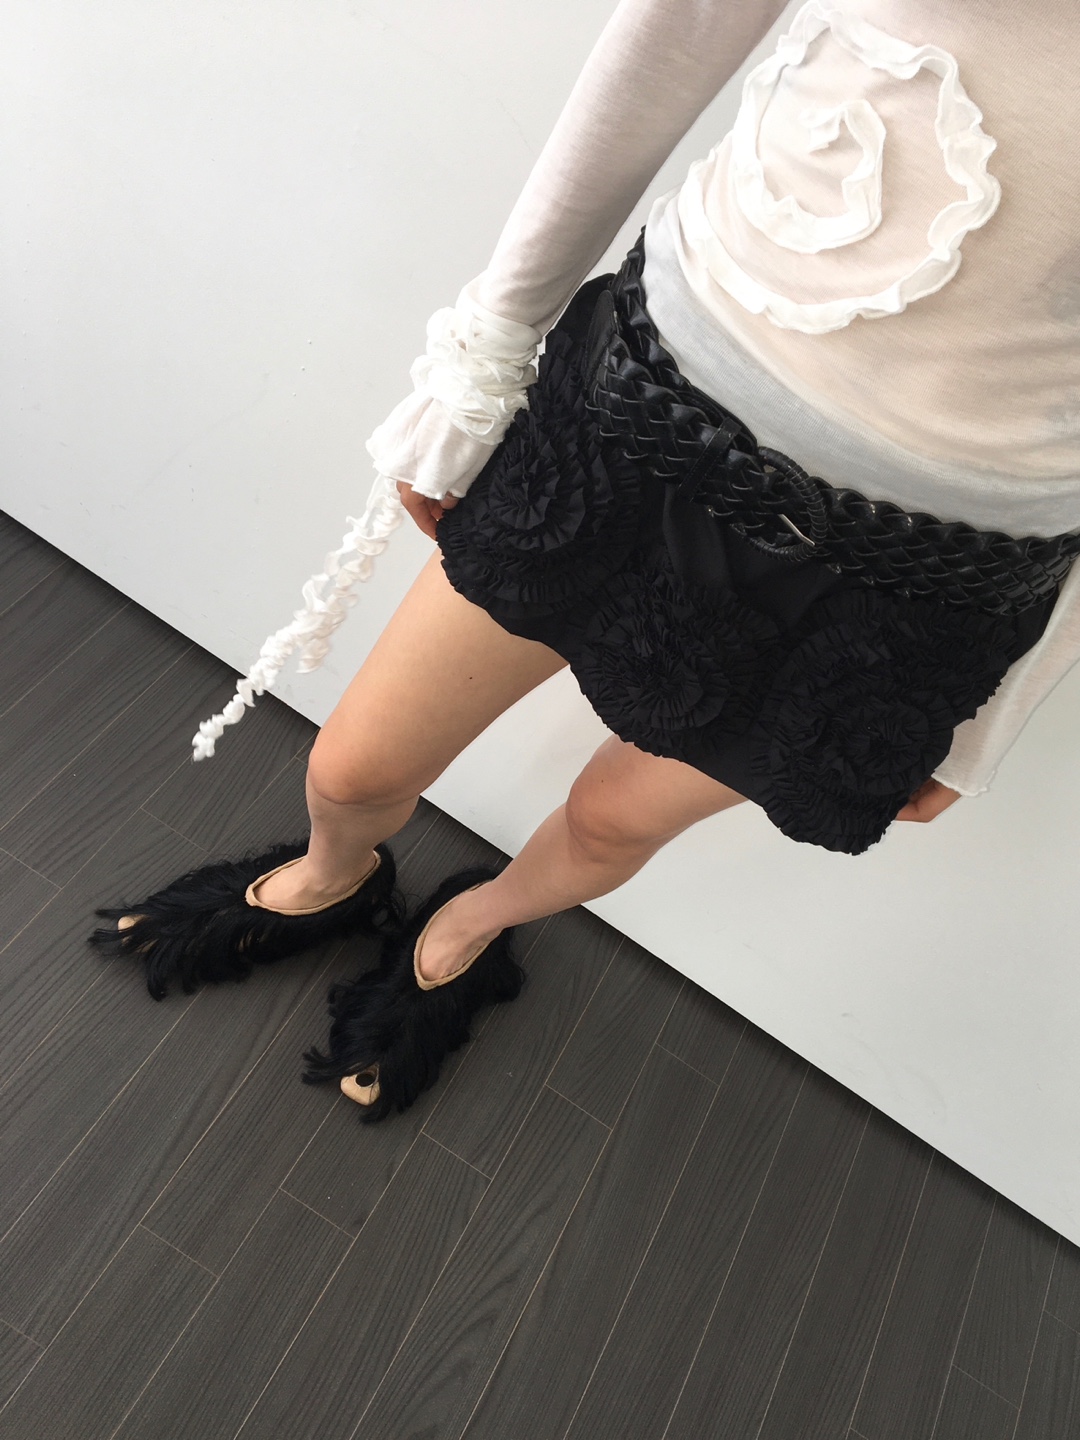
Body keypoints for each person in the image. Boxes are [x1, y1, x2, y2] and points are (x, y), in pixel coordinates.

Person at [92, 0, 1080, 1120]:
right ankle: (332, 876)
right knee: (357, 765)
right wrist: (484, 356)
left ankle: (470, 925)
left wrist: (1001, 707)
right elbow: (673, 35)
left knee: (614, 821)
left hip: (934, 581)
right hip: (639, 416)